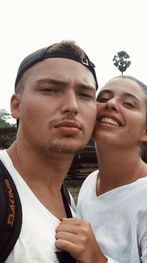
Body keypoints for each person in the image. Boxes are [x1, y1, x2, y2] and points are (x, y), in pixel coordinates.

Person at [56, 75, 147, 262]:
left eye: (129, 104)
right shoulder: (90, 183)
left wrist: (97, 259)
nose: (111, 104)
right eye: (103, 98)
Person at [0, 40, 98, 262]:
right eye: (50, 90)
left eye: (85, 95)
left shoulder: (69, 202)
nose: (72, 105)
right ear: (17, 106)